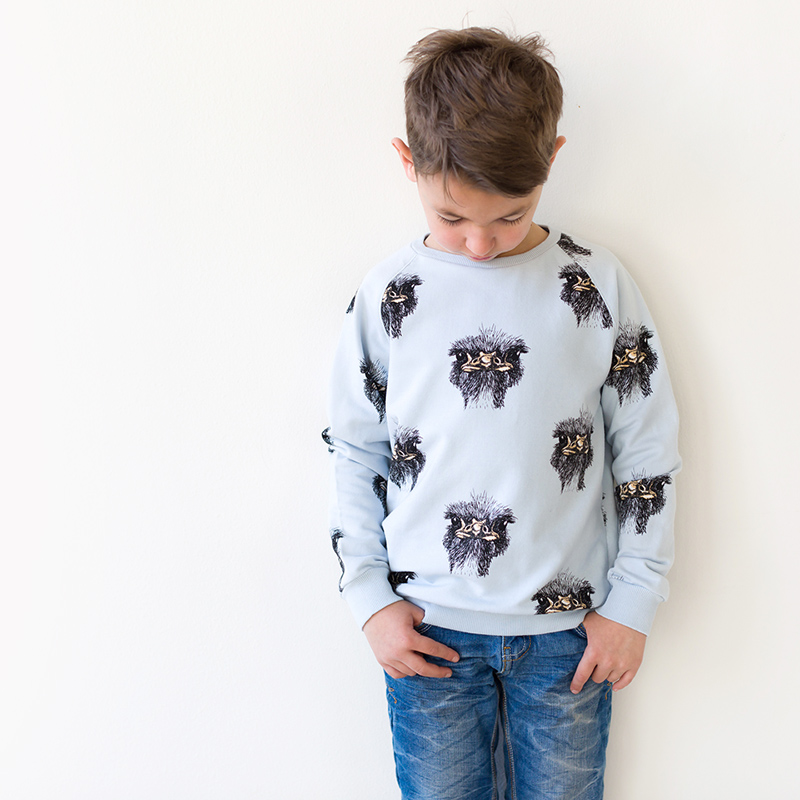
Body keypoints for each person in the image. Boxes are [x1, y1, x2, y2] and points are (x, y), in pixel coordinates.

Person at [324, 27, 680, 800]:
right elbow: (355, 451)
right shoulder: (388, 298)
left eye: (510, 216)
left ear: (552, 160)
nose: (480, 245)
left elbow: (646, 450)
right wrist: (370, 600)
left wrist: (634, 600)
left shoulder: (597, 286)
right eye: (452, 216)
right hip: (427, 631)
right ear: (408, 161)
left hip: (568, 636)